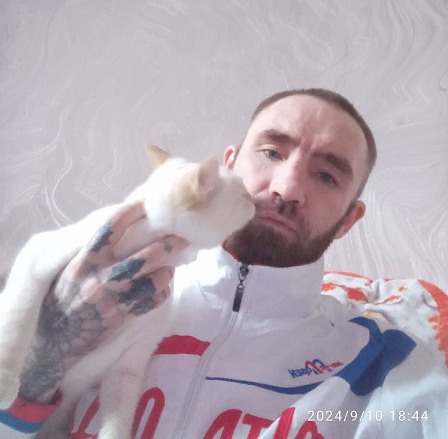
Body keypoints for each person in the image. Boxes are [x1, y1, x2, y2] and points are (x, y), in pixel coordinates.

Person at [1, 88, 447, 438]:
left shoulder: (384, 357)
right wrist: (44, 360)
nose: (287, 188)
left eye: (326, 175)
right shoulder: (93, 292)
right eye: (271, 152)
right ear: (228, 166)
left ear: (349, 219)